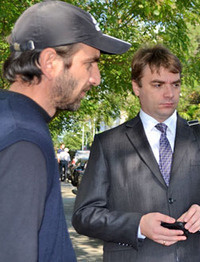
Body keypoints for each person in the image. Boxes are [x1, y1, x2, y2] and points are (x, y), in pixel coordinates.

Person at [72, 44, 200, 261]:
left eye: (175, 84)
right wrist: (138, 225)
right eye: (158, 84)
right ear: (136, 87)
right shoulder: (109, 144)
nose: (169, 93)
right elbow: (84, 215)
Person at [0, 1, 131, 261]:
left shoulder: (13, 119)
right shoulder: (24, 140)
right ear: (50, 62)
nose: (96, 78)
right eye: (90, 63)